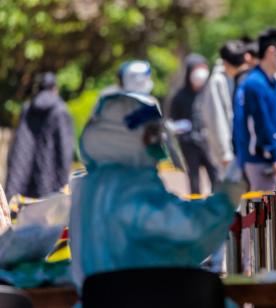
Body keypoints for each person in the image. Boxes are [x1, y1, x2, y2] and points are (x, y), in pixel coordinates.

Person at [69, 62, 235, 289]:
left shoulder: (89, 185)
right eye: (151, 134)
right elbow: (189, 229)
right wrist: (225, 201)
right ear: (124, 137)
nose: (156, 143)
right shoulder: (130, 187)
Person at [233, 28, 276, 191]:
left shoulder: (274, 83)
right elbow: (260, 125)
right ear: (271, 51)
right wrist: (275, 156)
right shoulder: (254, 83)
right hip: (262, 161)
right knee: (265, 213)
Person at [5, 72, 74, 200]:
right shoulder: (61, 111)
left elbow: (18, 148)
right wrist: (64, 183)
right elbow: (65, 150)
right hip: (51, 184)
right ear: (55, 88)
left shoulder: (27, 109)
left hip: (24, 181)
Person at [169, 54, 218, 194]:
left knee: (215, 176)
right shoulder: (180, 96)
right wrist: (180, 127)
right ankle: (196, 208)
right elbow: (173, 120)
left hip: (209, 141)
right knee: (194, 178)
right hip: (189, 143)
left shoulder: (209, 92)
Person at [202, 41, 247, 177]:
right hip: (225, 149)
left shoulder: (229, 77)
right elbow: (217, 117)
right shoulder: (218, 80)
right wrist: (224, 152)